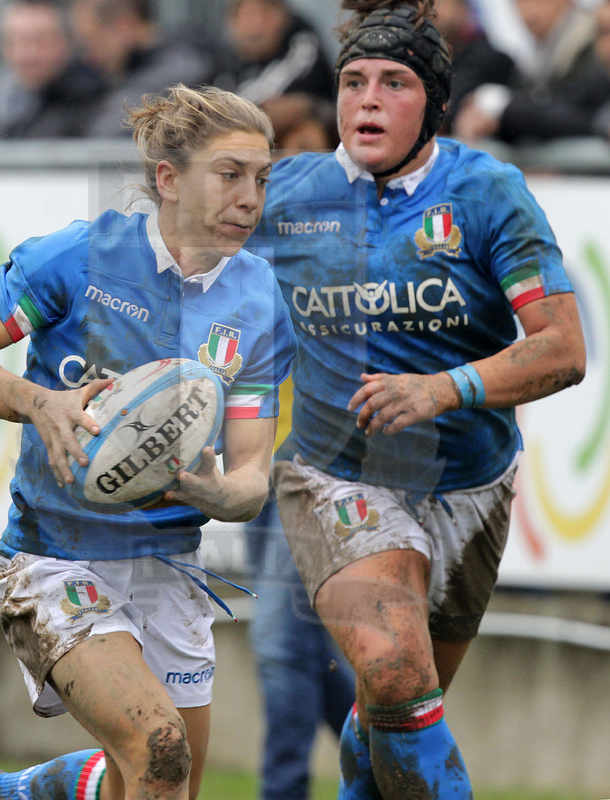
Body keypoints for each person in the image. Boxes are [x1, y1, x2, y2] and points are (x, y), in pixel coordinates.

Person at [0, 83, 297, 800]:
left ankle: (21, 793)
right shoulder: (80, 258)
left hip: (171, 565)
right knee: (159, 747)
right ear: (168, 179)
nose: (250, 199)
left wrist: (220, 493)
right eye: (230, 175)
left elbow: (252, 476)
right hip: (54, 558)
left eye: (262, 179)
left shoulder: (257, 300)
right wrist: (39, 402)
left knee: (161, 779)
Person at [245, 0, 586, 797]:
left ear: (433, 103)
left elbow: (563, 349)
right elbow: (172, 266)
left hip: (471, 484)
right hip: (335, 475)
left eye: (393, 83)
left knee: (391, 710)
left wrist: (444, 389)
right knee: (396, 669)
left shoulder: (486, 192)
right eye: (353, 82)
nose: (367, 100)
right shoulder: (287, 195)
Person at [244, 377, 356, 800]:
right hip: (259, 458)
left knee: (278, 641)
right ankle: (394, 766)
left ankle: (282, 791)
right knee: (303, 649)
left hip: (322, 460)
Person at [454, 0, 610, 143]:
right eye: (521, 2)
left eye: (541, 1)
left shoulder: (591, 52)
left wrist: (502, 105)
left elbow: (582, 118)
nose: (531, 12)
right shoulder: (538, 58)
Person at [70, 0, 219, 138]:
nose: (89, 58)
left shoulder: (176, 72)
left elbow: (108, 134)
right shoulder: (128, 74)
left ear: (125, 24)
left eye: (93, 39)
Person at [213, 0, 337, 153]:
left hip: (301, 134)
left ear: (283, 16)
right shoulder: (224, 62)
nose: (256, 26)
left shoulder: (302, 47)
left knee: (306, 133)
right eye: (246, 15)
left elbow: (292, 108)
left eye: (265, 13)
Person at [0, 0, 106, 139]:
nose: (26, 55)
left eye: (40, 42)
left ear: (67, 42)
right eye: (14, 42)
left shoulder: (95, 101)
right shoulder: (0, 99)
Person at [432, 0, 515, 133]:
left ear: (465, 10)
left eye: (443, 3)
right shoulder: (422, 57)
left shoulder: (490, 59)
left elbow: (446, 109)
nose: (435, 13)